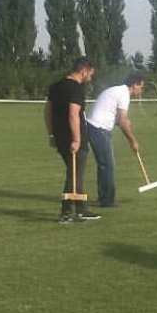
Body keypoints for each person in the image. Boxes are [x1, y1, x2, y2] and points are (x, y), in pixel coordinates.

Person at [44, 56, 100, 223]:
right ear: (84, 71)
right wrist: (76, 139)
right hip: (74, 137)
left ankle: (81, 209)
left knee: (75, 173)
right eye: (90, 74)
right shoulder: (76, 88)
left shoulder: (55, 86)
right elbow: (73, 114)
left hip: (60, 136)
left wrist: (51, 134)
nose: (91, 77)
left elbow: (47, 111)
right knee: (74, 174)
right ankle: (66, 213)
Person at [86, 73, 145, 207]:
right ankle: (106, 200)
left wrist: (122, 122)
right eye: (141, 87)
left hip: (94, 126)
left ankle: (104, 198)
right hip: (98, 128)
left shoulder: (118, 90)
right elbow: (122, 121)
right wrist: (133, 141)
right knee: (107, 164)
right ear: (134, 85)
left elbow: (119, 119)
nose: (141, 90)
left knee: (105, 164)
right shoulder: (124, 94)